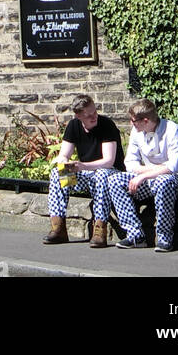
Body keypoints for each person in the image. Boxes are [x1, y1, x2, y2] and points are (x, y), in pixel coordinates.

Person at [105, 98, 178, 252]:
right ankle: (135, 235)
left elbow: (174, 166)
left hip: (177, 179)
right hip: (150, 177)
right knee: (115, 180)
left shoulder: (171, 130)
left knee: (163, 181)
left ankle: (165, 237)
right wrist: (150, 172)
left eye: (133, 121)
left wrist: (143, 175)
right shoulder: (136, 132)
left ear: (145, 120)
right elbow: (130, 163)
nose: (131, 124)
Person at [44, 93, 126, 248]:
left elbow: (109, 161)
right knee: (58, 173)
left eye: (94, 112)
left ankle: (99, 230)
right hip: (86, 173)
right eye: (88, 115)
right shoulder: (74, 126)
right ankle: (58, 227)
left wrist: (83, 166)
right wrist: (64, 162)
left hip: (111, 173)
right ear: (78, 116)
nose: (93, 117)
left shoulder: (106, 125)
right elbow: (64, 154)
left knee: (101, 174)